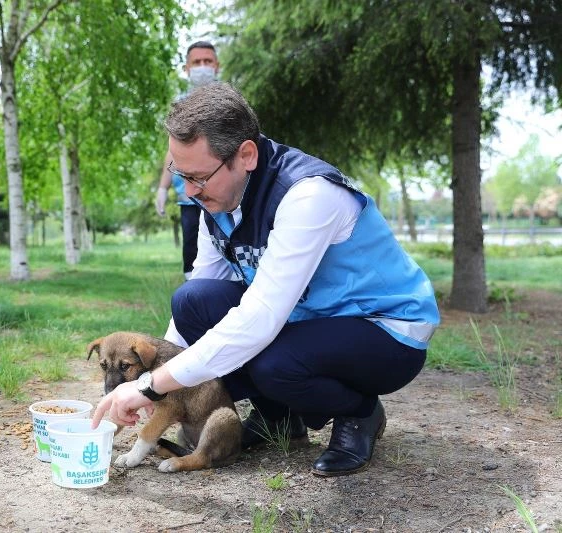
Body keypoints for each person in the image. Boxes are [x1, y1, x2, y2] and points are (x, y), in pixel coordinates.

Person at [94, 82, 440, 477]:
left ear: (245, 155)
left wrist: (150, 385)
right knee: (192, 301)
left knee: (273, 363)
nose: (189, 192)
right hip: (308, 319)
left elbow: (260, 319)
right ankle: (279, 419)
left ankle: (361, 412)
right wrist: (163, 382)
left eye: (199, 178)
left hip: (386, 329)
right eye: (180, 174)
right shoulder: (216, 201)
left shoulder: (308, 195)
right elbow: (200, 299)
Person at [155, 41, 220, 280]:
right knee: (192, 256)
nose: (203, 67)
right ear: (186, 68)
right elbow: (173, 149)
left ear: (217, 66)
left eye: (208, 61)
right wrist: (163, 187)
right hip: (190, 197)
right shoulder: (181, 106)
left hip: (224, 194)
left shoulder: (229, 102)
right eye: (197, 62)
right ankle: (193, 304)